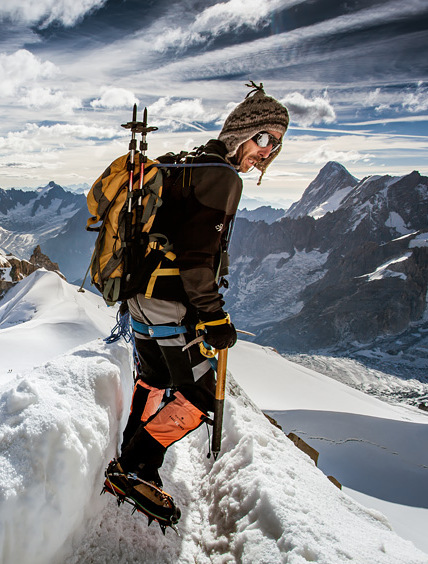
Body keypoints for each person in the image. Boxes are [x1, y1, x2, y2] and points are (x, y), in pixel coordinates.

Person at [105, 82, 290, 523]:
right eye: (263, 138)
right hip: (169, 303)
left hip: (139, 298)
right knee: (200, 397)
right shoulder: (222, 177)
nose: (266, 152)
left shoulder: (186, 165)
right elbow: (196, 262)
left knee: (152, 378)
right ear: (240, 132)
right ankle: (133, 466)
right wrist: (214, 316)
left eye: (276, 145)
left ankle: (136, 456)